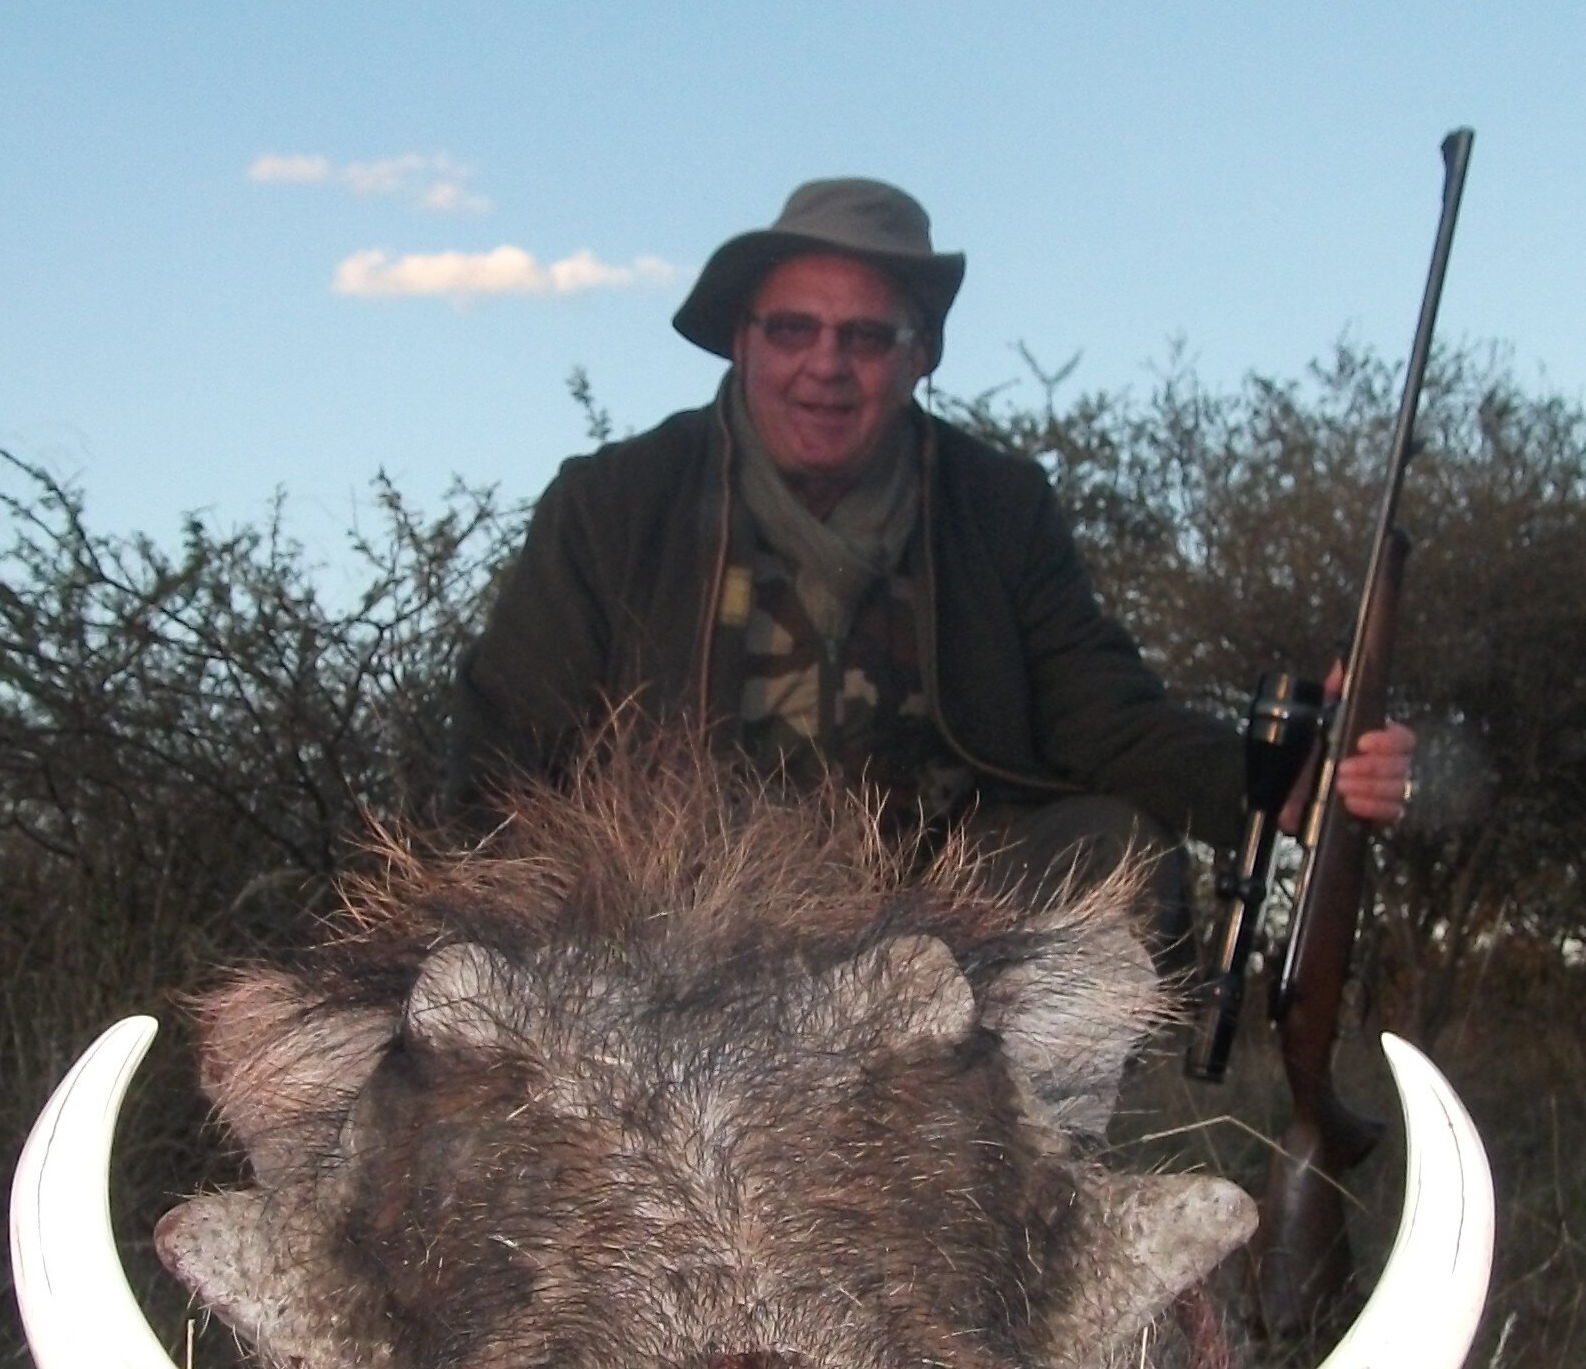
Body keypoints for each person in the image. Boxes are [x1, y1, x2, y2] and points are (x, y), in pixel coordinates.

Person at [446, 176, 1411, 906]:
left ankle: (1038, 1161)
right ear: (743, 342)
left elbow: (1102, 720)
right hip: (679, 905)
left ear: (919, 357)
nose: (826, 366)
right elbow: (504, 748)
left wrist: (1286, 780)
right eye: (794, 330)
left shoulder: (1000, 506)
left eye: (866, 338)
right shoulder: (615, 501)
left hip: (935, 907)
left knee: (1115, 857)